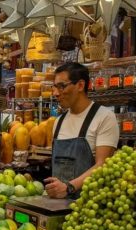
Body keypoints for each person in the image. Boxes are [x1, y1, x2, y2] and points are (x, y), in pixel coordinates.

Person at [45, 62, 119, 199]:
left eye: (61, 86)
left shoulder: (104, 117)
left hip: (89, 204)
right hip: (57, 205)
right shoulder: (58, 122)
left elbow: (103, 164)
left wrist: (69, 187)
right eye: (54, 87)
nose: (55, 93)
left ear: (80, 85)